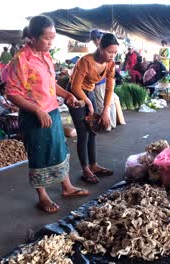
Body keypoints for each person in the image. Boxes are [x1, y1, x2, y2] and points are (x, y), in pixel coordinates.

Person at [5, 15, 89, 214]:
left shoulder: (46, 55)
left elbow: (50, 85)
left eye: (53, 38)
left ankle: (66, 187)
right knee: (39, 154)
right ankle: (42, 196)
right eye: (47, 38)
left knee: (59, 149)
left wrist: (67, 94)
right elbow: (12, 94)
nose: (51, 42)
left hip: (51, 111)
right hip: (34, 116)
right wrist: (37, 110)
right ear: (32, 37)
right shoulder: (21, 60)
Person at [69, 33, 119, 184]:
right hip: (75, 95)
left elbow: (110, 87)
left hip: (89, 92)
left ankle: (94, 165)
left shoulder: (110, 63)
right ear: (100, 47)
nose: (112, 55)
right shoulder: (86, 61)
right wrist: (89, 104)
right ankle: (85, 169)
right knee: (83, 131)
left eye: (115, 52)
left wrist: (105, 111)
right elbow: (75, 86)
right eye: (110, 52)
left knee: (93, 128)